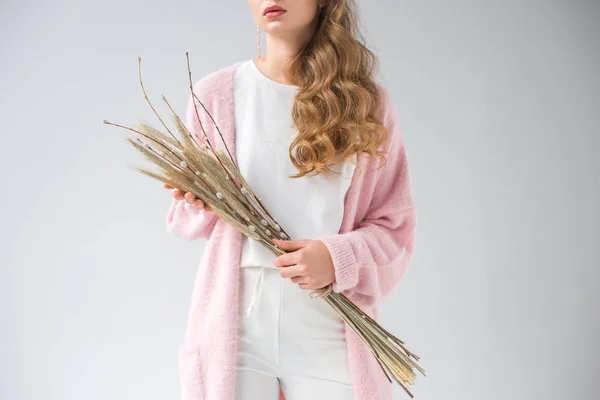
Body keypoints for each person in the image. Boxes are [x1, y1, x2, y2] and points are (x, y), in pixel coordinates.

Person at [164, 1, 417, 399]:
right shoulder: (215, 95)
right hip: (238, 324)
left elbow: (395, 228)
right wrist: (199, 200)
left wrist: (336, 258)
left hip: (329, 321)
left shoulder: (366, 105)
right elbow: (184, 221)